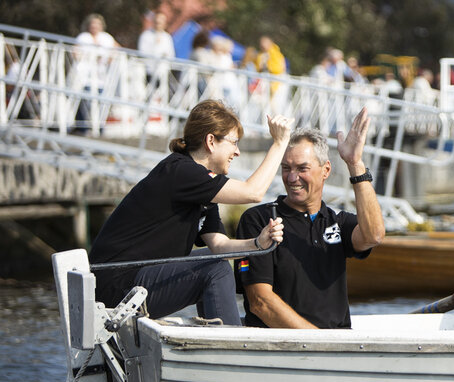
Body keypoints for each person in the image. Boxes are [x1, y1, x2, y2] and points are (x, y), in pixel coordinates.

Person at [88, 100, 293, 325]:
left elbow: (220, 246)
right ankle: (230, 348)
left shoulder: (198, 185)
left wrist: (257, 243)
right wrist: (280, 143)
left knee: (216, 260)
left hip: (130, 281)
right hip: (118, 287)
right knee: (215, 269)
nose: (237, 151)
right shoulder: (181, 171)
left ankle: (216, 342)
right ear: (211, 141)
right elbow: (253, 192)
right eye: (234, 142)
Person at [234, 107, 385, 329]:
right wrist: (317, 341)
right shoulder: (259, 220)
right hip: (284, 349)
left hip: (335, 346)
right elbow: (260, 303)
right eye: (286, 168)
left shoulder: (337, 222)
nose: (292, 177)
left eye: (302, 168)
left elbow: (374, 235)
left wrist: (355, 164)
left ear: (325, 170)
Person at [73, 13, 119, 134]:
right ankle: (83, 127)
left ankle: (99, 127)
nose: (94, 26)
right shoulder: (83, 37)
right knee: (85, 100)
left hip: (101, 76)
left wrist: (109, 59)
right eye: (93, 24)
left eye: (97, 24)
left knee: (100, 102)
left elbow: (117, 48)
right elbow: (75, 52)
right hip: (85, 76)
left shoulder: (106, 38)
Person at [137, 11, 175, 83]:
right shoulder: (145, 35)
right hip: (147, 72)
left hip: (162, 74)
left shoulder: (167, 38)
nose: (158, 24)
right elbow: (142, 53)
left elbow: (171, 55)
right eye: (157, 22)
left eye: (161, 22)